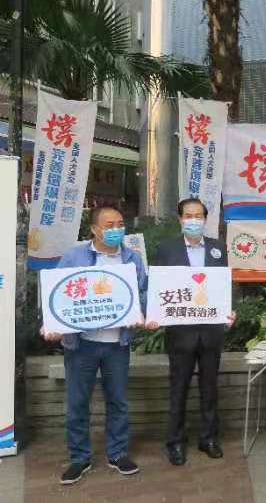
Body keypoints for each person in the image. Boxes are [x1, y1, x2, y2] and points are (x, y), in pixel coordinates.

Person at [43, 206, 155, 485]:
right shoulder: (74, 256)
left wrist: (142, 312)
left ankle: (117, 453)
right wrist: (50, 324)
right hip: (81, 344)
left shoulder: (132, 258)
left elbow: (142, 292)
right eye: (109, 225)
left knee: (118, 401)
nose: (116, 229)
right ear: (94, 229)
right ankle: (79, 458)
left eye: (120, 224)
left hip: (118, 343)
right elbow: (56, 292)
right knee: (77, 403)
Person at [155, 198, 235, 466]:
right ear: (180, 219)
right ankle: (175, 442)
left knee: (210, 388)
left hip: (211, 332)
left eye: (198, 216)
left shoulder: (217, 248)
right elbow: (158, 288)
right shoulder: (167, 249)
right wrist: (155, 313)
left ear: (205, 219)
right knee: (178, 388)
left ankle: (208, 438)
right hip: (180, 332)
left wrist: (229, 310)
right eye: (188, 216)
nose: (193, 220)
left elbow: (225, 286)